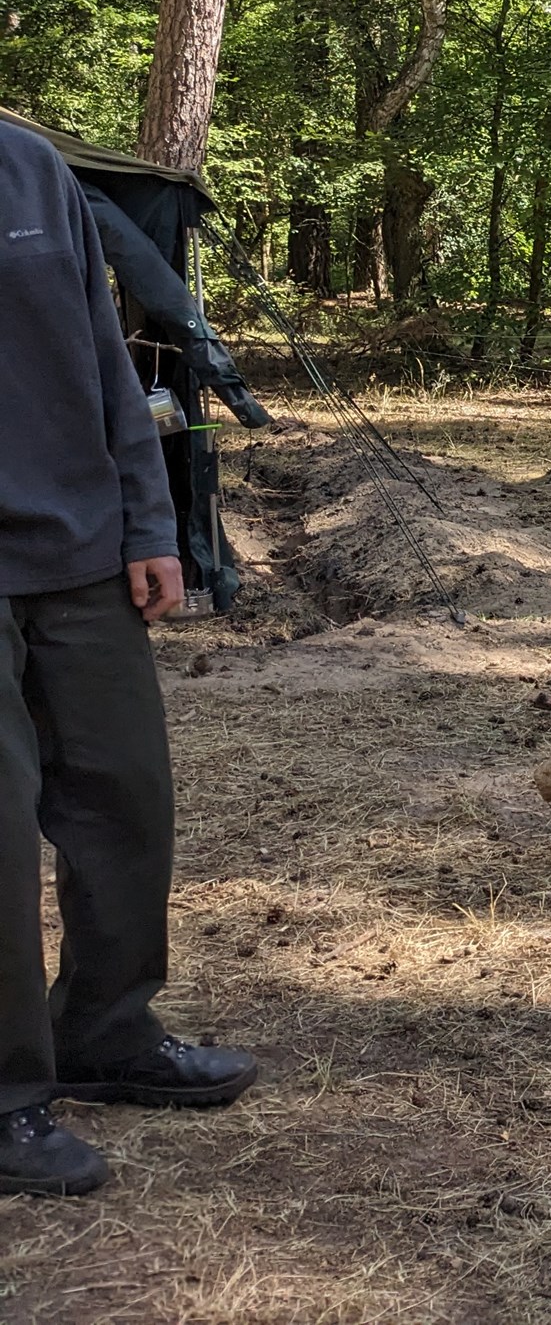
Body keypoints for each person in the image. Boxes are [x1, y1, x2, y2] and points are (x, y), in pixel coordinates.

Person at [0, 118, 257, 1198]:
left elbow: (107, 359)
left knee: (125, 796)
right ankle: (7, 1098)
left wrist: (150, 522)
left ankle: (104, 1029)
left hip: (80, 551)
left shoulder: (30, 168)